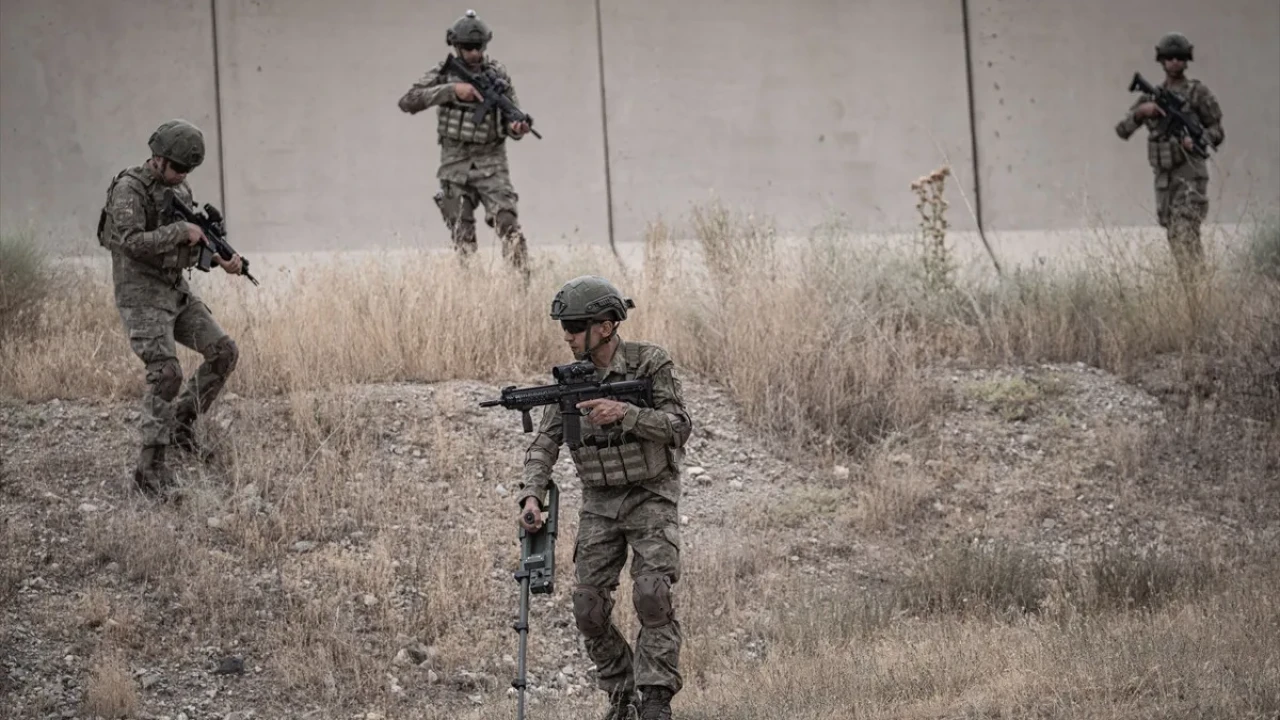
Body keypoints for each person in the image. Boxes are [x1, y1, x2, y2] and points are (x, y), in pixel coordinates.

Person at [515, 276, 692, 720]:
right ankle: (621, 694)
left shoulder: (649, 362)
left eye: (575, 326)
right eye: (565, 327)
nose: (567, 336)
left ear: (606, 326)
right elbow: (544, 444)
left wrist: (626, 413)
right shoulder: (571, 383)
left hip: (651, 494)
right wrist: (532, 496)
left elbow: (678, 426)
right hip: (599, 502)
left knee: (651, 594)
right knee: (588, 608)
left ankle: (655, 699)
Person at [96, 119, 243, 497]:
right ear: (157, 158)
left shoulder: (180, 187)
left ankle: (181, 427)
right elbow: (129, 242)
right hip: (142, 295)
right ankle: (149, 470)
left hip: (176, 291)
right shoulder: (129, 189)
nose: (182, 175)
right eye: (177, 167)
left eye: (188, 169)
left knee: (224, 352)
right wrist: (181, 232)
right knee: (166, 374)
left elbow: (189, 244)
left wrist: (218, 257)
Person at [398, 9, 531, 273]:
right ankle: (471, 288)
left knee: (508, 224)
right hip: (454, 165)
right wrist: (452, 91)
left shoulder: (498, 77)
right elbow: (408, 101)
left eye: (478, 47)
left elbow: (511, 118)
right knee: (462, 235)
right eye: (468, 47)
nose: (474, 53)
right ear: (456, 46)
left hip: (492, 163)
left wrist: (517, 128)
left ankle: (521, 284)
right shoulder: (445, 73)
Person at [1115, 32, 1225, 285]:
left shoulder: (1198, 93)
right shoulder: (1150, 98)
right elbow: (1122, 130)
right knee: (1174, 234)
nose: (1175, 62)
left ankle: (1197, 288)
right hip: (1164, 178)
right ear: (1161, 61)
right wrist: (1141, 113)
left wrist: (1199, 140)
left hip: (1190, 173)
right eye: (1169, 57)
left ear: (1187, 60)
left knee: (1186, 232)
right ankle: (1191, 289)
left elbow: (1217, 130)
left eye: (1180, 57)